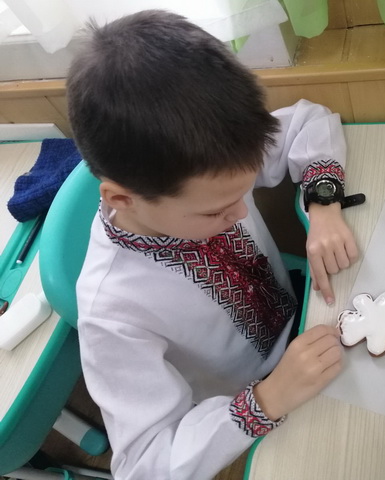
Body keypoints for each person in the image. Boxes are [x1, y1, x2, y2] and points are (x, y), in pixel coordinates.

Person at [67, 10, 358, 480]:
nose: (241, 214)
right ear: (121, 199)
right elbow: (143, 466)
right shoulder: (112, 312)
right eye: (215, 212)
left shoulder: (205, 165)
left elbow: (308, 121)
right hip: (257, 398)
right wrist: (266, 399)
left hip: (308, 316)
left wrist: (323, 205)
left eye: (242, 193)